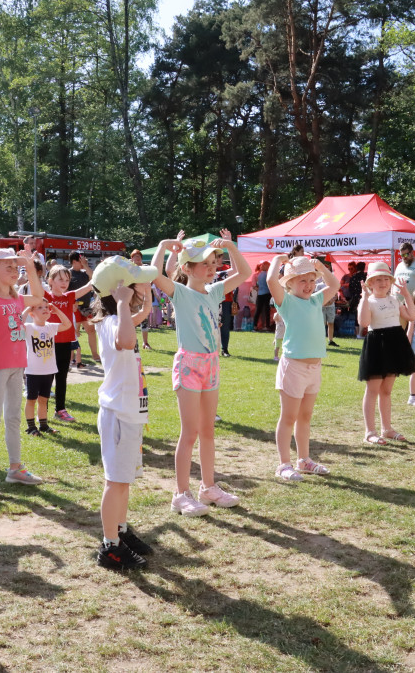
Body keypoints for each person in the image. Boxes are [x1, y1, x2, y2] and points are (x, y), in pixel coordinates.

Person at [151, 235, 252, 516]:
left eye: (212, 262)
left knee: (208, 430)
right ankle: (180, 494)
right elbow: (155, 274)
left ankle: (208, 487)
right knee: (190, 432)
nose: (211, 268)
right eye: (203, 263)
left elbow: (244, 273)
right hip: (189, 366)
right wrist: (162, 247)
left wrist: (231, 248)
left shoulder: (216, 291)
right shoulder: (180, 293)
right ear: (186, 268)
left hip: (211, 366)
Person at [88, 256, 158, 570]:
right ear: (120, 292)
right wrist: (123, 305)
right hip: (118, 413)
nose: (143, 287)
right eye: (136, 284)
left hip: (128, 412)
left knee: (123, 481)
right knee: (115, 482)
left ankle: (121, 530)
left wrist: (140, 304)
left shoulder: (118, 318)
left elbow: (137, 320)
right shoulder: (115, 321)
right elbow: (126, 340)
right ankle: (110, 547)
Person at [0, 247, 47, 497]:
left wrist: (30, 266)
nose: (15, 271)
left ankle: (14, 469)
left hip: (17, 366)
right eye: (9, 267)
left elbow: (38, 295)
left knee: (13, 418)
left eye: (17, 267)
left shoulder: (16, 299)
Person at [266, 255, 340, 481]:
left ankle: (304, 460)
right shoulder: (286, 301)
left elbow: (334, 285)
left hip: (314, 368)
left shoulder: (316, 300)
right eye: (302, 281)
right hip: (294, 367)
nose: (308, 286)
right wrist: (277, 260)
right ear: (289, 283)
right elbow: (271, 281)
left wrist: (321, 268)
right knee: (288, 417)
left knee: (305, 416)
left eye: (311, 280)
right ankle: (284, 464)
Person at [357, 262, 415, 445]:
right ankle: (370, 432)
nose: (383, 283)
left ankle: (387, 429)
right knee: (373, 389)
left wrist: (406, 293)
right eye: (378, 279)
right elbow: (364, 321)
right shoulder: (369, 300)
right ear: (370, 283)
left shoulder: (394, 299)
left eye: (386, 279)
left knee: (387, 390)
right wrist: (364, 298)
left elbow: (411, 316)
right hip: (377, 344)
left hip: (394, 343)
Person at [45, 264, 91, 423]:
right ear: (50, 280)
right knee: (47, 378)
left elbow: (88, 287)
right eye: (60, 279)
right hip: (49, 343)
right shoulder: (46, 296)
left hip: (65, 344)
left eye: (67, 279)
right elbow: (34, 285)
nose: (64, 283)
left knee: (62, 377)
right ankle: (42, 412)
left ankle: (60, 410)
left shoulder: (69, 296)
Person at [22, 302, 73, 435]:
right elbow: (17, 324)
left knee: (44, 400)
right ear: (32, 314)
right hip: (33, 372)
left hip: (48, 371)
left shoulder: (50, 327)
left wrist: (57, 310)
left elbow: (67, 324)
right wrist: (28, 308)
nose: (45, 309)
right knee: (31, 400)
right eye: (40, 307)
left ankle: (44, 425)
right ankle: (31, 427)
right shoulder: (28, 327)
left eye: (46, 307)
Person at [68, 252, 98, 367]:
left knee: (91, 331)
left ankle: (95, 355)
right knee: (74, 333)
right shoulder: (68, 273)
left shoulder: (85, 273)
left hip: (86, 307)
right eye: (81, 260)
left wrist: (85, 265)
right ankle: (72, 357)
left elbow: (94, 277)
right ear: (75, 262)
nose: (84, 262)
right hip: (74, 308)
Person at [252, 262, 272, 331]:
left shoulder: (259, 275)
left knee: (258, 311)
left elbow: (255, 285)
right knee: (266, 311)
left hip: (260, 294)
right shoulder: (267, 274)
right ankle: (267, 326)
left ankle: (255, 326)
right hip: (267, 294)